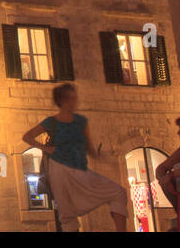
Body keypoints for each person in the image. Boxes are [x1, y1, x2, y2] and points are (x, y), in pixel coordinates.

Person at [22, 83, 128, 232]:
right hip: (59, 169)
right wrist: (47, 148)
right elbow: (27, 137)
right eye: (70, 99)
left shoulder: (81, 121)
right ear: (62, 101)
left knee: (118, 193)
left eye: (74, 98)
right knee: (67, 216)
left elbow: (89, 147)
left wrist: (104, 158)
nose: (74, 102)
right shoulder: (51, 122)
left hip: (79, 169)